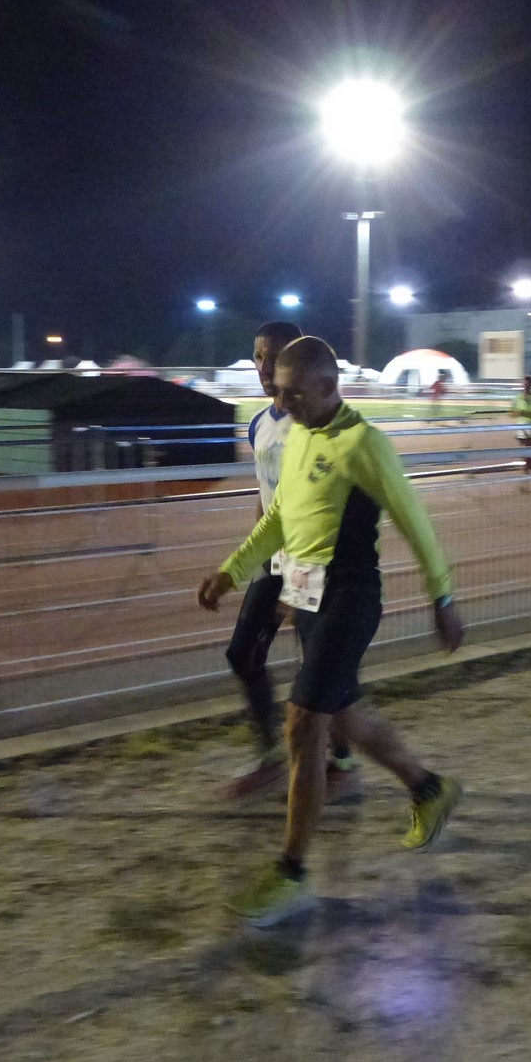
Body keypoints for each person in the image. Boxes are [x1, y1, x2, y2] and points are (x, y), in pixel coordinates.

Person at [198, 336, 466, 927]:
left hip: (351, 597)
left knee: (303, 725)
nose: (282, 402)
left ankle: (290, 873)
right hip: (309, 598)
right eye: (279, 391)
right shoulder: (298, 434)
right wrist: (233, 570)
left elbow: (414, 519)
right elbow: (279, 517)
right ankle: (428, 788)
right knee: (343, 717)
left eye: (294, 393)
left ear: (329, 386)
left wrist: (442, 596)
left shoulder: (363, 444)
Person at [220, 321, 359, 802]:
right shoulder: (258, 424)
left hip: (317, 561)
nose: (263, 367)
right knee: (243, 653)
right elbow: (266, 496)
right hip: (275, 562)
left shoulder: (321, 422)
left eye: (274, 357)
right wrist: (253, 556)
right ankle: (272, 757)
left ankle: (342, 761)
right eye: (258, 356)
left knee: (318, 665)